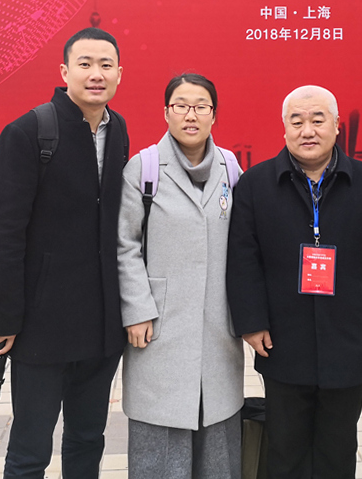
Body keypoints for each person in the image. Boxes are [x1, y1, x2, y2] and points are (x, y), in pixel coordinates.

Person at [227, 85, 362, 479]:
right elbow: (243, 259)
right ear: (284, 129)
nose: (307, 130)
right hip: (281, 339)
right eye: (297, 121)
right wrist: (251, 322)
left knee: (337, 447)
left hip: (348, 335)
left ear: (336, 126)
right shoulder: (256, 184)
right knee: (284, 447)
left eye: (317, 120)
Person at [0, 27, 129, 479]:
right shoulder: (28, 132)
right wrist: (5, 319)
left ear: (119, 74)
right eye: (85, 64)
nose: (96, 74)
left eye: (105, 65)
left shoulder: (118, 129)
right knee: (30, 450)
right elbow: (3, 234)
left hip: (101, 326)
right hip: (42, 326)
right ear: (64, 72)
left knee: (87, 440)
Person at [116, 73, 244, 479]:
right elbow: (125, 245)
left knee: (218, 445)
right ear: (166, 112)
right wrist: (137, 310)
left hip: (217, 327)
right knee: (161, 437)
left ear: (214, 115)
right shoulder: (144, 168)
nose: (191, 115)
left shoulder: (230, 167)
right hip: (159, 326)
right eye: (181, 106)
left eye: (201, 106)